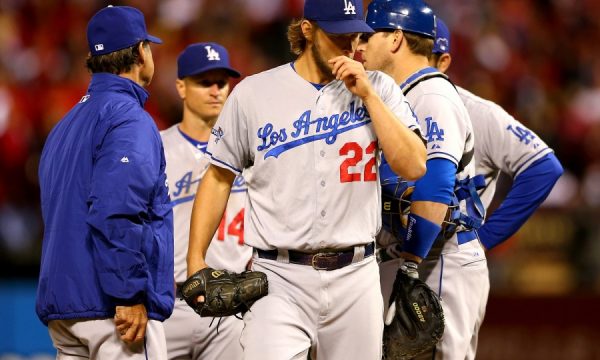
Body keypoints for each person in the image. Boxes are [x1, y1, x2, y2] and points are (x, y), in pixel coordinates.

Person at [185, 0, 427, 358]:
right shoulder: (255, 93)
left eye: (355, 34)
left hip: (356, 275)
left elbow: (415, 165)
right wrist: (195, 260)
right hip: (279, 278)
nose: (350, 44)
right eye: (338, 34)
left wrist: (369, 96)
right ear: (307, 30)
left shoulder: (379, 87)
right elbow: (219, 176)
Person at [36, 5, 174, 358]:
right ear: (141, 52)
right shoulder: (129, 119)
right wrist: (127, 293)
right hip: (110, 308)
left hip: (65, 309)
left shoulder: (65, 125)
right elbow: (116, 210)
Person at [425, 18, 563, 357]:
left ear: (443, 62)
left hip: (448, 259)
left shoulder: (476, 112)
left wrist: (484, 238)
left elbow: (543, 167)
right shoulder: (381, 106)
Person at [358, 0, 488, 359]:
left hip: (438, 257)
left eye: (370, 37)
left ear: (396, 39)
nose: (360, 46)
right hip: (409, 255)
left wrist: (411, 264)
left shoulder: (431, 94)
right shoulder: (398, 95)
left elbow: (436, 184)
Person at [161, 42, 251, 360]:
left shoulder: (251, 150)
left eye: (222, 82)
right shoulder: (157, 149)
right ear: (181, 87)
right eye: (204, 82)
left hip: (231, 304)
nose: (216, 90)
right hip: (169, 303)